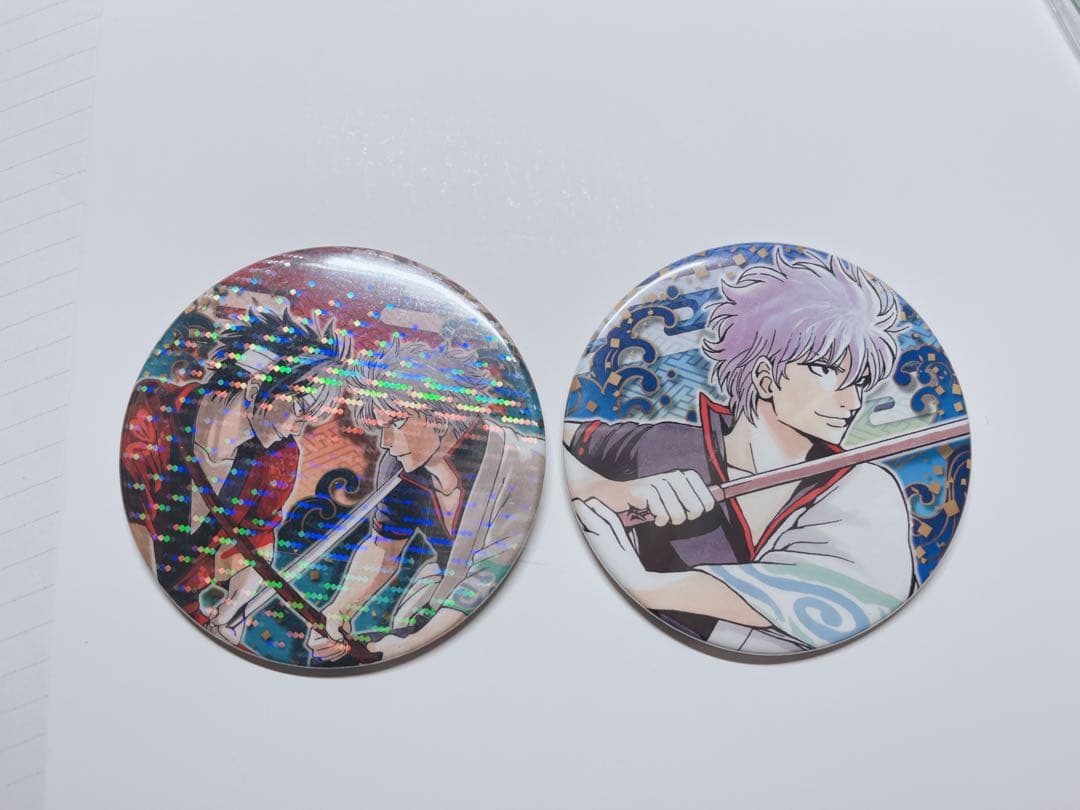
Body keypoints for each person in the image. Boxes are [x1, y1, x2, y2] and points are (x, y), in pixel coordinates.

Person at [565, 249, 915, 653]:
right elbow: (536, 442)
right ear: (765, 376)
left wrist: (646, 585)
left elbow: (848, 597)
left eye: (861, 380)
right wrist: (611, 491)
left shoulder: (863, 486)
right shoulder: (665, 445)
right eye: (827, 370)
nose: (851, 401)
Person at [306, 338, 543, 663]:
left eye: (396, 423)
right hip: (440, 595)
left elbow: (488, 572)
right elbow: (384, 546)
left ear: (439, 416)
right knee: (336, 656)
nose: (386, 442)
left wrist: (411, 643)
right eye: (381, 428)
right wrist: (340, 610)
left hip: (509, 608)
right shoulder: (400, 467)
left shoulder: (520, 463)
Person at [120, 307, 348, 644]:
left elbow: (255, 540)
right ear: (255, 390)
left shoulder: (279, 458)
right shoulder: (152, 412)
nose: (298, 430)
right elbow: (131, 526)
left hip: (187, 616)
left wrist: (235, 608)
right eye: (299, 410)